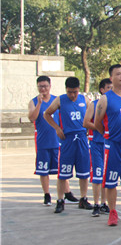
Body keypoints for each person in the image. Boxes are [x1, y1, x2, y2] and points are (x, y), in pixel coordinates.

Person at [94, 64, 121, 226]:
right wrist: (108, 136)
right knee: (111, 181)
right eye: (118, 74)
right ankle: (112, 212)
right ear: (111, 78)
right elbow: (97, 122)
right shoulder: (105, 98)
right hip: (113, 146)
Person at [43, 77, 92, 213]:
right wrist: (57, 128)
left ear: (79, 90)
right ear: (66, 90)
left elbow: (92, 114)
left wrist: (89, 127)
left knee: (84, 172)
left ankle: (83, 198)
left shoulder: (84, 100)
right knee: (63, 173)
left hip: (82, 138)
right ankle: (60, 200)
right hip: (67, 139)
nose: (72, 95)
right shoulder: (60, 100)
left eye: (75, 92)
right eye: (70, 92)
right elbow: (47, 114)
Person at [28, 76, 77, 206]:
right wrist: (39, 104)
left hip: (58, 141)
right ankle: (47, 194)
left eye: (45, 86)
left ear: (50, 86)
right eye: (40, 86)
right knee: (43, 169)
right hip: (43, 141)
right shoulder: (33, 102)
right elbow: (32, 118)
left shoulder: (57, 100)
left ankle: (67, 192)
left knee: (62, 167)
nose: (43, 89)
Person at [83, 78, 112, 216]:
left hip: (109, 145)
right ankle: (96, 203)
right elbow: (86, 123)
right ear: (102, 90)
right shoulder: (94, 105)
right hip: (97, 144)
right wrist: (101, 128)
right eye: (108, 87)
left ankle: (104, 203)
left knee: (107, 175)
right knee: (98, 175)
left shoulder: (114, 105)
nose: (111, 90)